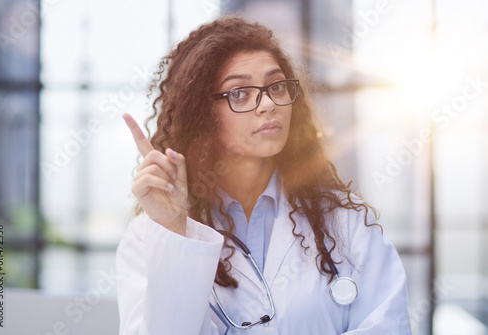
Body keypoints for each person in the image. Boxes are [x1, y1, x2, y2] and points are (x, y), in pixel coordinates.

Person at [116, 16, 411, 335]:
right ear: (202, 115)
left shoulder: (347, 222)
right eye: (240, 93)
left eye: (277, 86)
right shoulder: (150, 236)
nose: (269, 104)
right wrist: (174, 230)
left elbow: (388, 327)